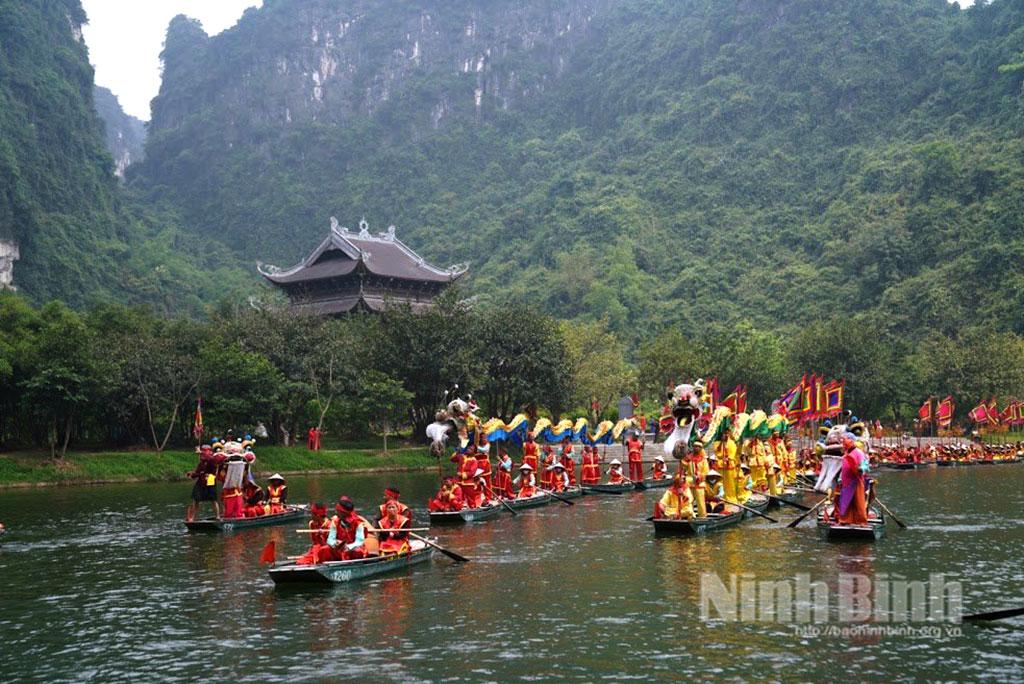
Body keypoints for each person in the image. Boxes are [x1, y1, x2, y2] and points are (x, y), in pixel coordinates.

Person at [326, 496, 378, 560]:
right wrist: (335, 544)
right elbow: (330, 539)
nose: (336, 512)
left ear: (343, 512)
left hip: (352, 549)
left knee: (358, 551)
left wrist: (347, 547)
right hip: (338, 548)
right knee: (324, 549)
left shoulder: (358, 523)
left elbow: (359, 542)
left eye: (338, 511)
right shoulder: (335, 521)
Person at [836, 436, 869, 525]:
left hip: (856, 480)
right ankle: (844, 520)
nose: (844, 446)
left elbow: (865, 464)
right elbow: (843, 468)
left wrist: (861, 469)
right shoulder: (846, 454)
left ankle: (861, 521)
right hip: (846, 482)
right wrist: (840, 478)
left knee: (859, 502)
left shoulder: (859, 453)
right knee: (845, 501)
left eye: (846, 444)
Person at [186, 444, 222, 521]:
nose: (201, 455)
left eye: (204, 452)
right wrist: (192, 474)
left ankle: (217, 516)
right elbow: (198, 472)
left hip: (210, 479)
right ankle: (192, 518)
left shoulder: (212, 459)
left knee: (213, 499)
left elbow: (210, 459)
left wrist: (201, 452)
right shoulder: (201, 463)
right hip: (201, 481)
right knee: (196, 499)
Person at [221, 453, 247, 519]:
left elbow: (244, 477)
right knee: (229, 510)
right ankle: (229, 518)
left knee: (238, 508)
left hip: (237, 491)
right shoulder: (224, 471)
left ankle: (239, 517)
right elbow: (221, 477)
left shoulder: (241, 470)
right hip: (229, 492)